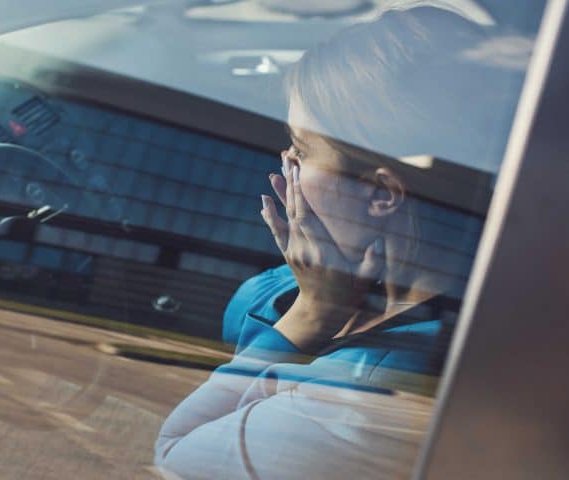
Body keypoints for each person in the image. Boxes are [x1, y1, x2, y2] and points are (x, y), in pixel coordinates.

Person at [154, 6, 520, 479]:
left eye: (303, 151)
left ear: (382, 193)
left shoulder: (369, 389)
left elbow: (173, 453)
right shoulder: (272, 292)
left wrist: (310, 317)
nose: (285, 162)